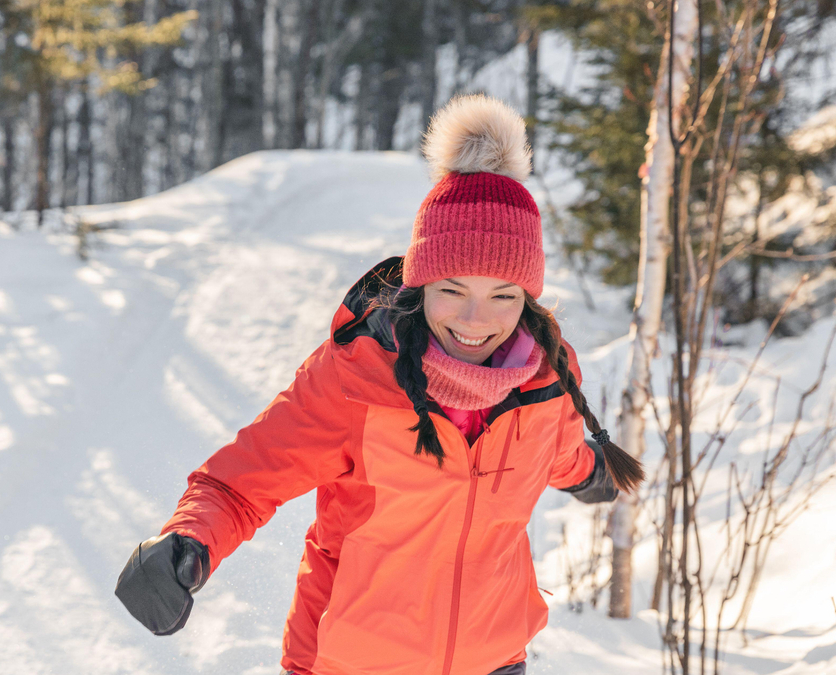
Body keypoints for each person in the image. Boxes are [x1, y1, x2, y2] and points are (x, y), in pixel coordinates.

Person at [114, 94, 645, 675]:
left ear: (528, 298)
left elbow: (557, 451)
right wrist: (189, 544)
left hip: (495, 658)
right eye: (452, 289)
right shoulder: (359, 378)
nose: (475, 321)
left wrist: (590, 471)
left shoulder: (548, 381)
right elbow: (241, 483)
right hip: (349, 662)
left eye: (503, 296)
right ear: (419, 284)